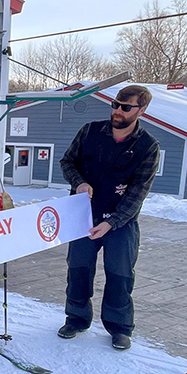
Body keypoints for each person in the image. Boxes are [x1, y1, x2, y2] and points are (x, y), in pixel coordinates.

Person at [58, 85, 160, 351]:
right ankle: (76, 319)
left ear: (142, 110)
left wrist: (112, 222)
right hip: (83, 216)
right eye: (115, 104)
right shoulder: (90, 131)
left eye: (126, 107)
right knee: (78, 270)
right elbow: (67, 162)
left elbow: (138, 193)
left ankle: (119, 327)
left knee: (120, 275)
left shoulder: (148, 147)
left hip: (120, 222)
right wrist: (79, 183)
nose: (117, 110)